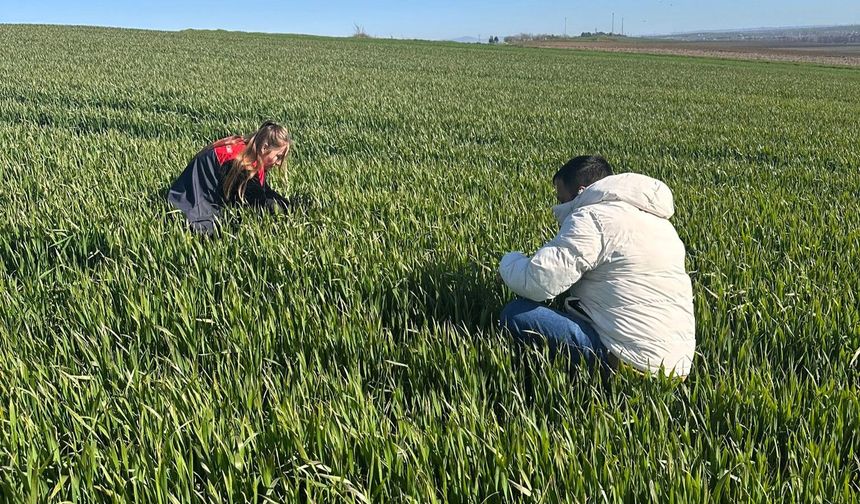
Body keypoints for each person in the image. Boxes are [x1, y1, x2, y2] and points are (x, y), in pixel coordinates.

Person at [498, 155, 695, 378]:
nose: (560, 207)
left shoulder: (592, 217)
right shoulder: (660, 223)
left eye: (562, 199)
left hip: (630, 363)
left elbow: (537, 282)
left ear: (581, 191)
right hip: (677, 368)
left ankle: (599, 374)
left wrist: (509, 260)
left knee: (516, 314)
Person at [167, 121, 294, 235]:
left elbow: (264, 192)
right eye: (278, 156)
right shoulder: (241, 164)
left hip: (188, 192)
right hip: (189, 202)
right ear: (265, 147)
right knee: (219, 234)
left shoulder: (248, 150)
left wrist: (288, 206)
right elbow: (257, 202)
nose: (278, 163)